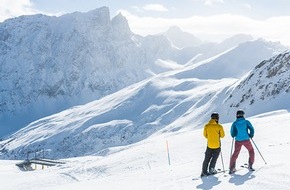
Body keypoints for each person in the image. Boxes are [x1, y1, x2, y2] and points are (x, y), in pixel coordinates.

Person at [229, 110, 255, 174]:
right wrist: (251, 135)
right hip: (246, 139)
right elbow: (251, 129)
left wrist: (234, 135)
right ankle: (250, 165)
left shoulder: (235, 123)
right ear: (243, 115)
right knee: (251, 150)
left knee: (235, 153)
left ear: (237, 115)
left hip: (238, 140)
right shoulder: (246, 122)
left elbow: (232, 132)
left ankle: (232, 168)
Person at [201, 112, 225, 177]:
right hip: (217, 145)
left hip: (209, 145)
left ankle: (204, 171)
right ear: (217, 118)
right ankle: (211, 169)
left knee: (207, 158)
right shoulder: (219, 126)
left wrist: (210, 138)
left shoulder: (206, 126)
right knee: (214, 158)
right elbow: (222, 136)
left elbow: (205, 135)